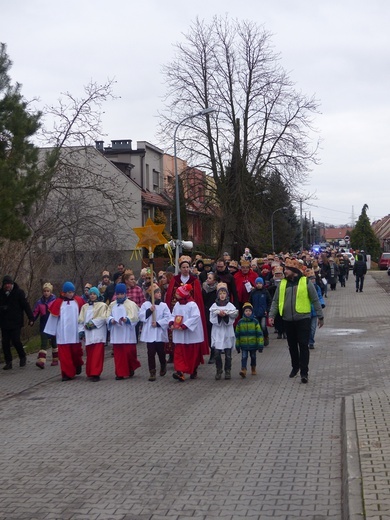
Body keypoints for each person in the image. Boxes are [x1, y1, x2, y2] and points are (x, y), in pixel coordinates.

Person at [268, 259, 324, 384]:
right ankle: (295, 366)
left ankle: (304, 372)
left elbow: (315, 299)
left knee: (303, 345)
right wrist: (271, 315)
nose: (285, 271)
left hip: (303, 318)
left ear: (294, 271)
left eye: (287, 269)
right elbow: (275, 301)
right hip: (288, 319)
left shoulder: (305, 282)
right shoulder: (282, 284)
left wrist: (320, 316)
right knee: (292, 346)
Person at [165, 255, 210, 360]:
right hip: (177, 310)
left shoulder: (194, 281)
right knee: (176, 334)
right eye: (183, 267)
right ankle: (174, 354)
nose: (185, 269)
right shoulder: (174, 280)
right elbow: (169, 295)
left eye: (187, 267)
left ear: (190, 268)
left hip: (190, 311)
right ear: (180, 269)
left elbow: (198, 298)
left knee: (190, 334)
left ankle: (192, 356)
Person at [44, 281, 85, 381]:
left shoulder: (78, 301)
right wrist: (51, 332)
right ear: (64, 292)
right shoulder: (58, 303)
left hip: (75, 332)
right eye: (68, 292)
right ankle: (67, 373)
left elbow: (83, 316)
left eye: (72, 292)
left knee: (76, 352)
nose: (71, 294)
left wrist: (83, 329)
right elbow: (53, 318)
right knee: (64, 356)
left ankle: (77, 364)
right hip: (63, 334)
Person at [169, 283, 205, 382]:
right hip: (180, 334)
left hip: (190, 334)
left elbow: (195, 317)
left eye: (177, 293)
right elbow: (173, 315)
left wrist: (185, 326)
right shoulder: (177, 304)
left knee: (191, 354)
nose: (175, 294)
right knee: (179, 353)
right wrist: (172, 323)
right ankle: (180, 371)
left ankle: (193, 370)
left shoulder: (192, 305)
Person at [107, 282, 140, 380]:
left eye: (122, 294)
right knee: (119, 355)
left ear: (125, 293)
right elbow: (107, 315)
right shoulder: (112, 305)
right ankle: (120, 373)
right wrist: (110, 320)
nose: (120, 296)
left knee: (129, 353)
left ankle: (130, 367)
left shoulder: (131, 304)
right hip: (116, 332)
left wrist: (127, 319)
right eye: (118, 294)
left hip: (127, 333)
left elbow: (135, 316)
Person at [0, 275, 34, 370]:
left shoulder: (18, 293)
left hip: (16, 322)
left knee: (16, 340)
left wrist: (31, 318)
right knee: (5, 343)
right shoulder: (1, 294)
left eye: (9, 284)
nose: (7, 286)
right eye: (5, 284)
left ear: (12, 284)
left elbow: (25, 306)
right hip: (4, 323)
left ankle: (22, 356)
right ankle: (8, 361)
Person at [139, 284, 172, 381]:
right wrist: (149, 311)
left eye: (159, 292)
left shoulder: (163, 305)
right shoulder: (146, 305)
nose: (159, 294)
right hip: (150, 333)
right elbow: (141, 316)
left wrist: (158, 323)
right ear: (152, 295)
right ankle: (152, 371)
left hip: (159, 333)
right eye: (157, 292)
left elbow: (168, 318)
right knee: (150, 353)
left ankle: (163, 364)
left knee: (161, 352)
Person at [209, 283, 238, 380]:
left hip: (227, 332)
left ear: (227, 295)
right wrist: (218, 316)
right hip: (217, 331)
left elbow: (232, 319)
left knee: (228, 354)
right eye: (220, 293)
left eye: (224, 293)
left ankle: (228, 370)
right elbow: (211, 319)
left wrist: (226, 316)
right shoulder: (214, 306)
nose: (222, 295)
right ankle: (219, 369)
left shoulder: (230, 306)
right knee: (217, 353)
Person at [78, 286, 108, 382]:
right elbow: (81, 320)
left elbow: (104, 318)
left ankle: (96, 373)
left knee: (97, 354)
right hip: (88, 335)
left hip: (98, 334)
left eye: (94, 294)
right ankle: (90, 372)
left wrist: (92, 324)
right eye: (91, 294)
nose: (92, 296)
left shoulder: (102, 305)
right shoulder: (85, 307)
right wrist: (81, 331)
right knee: (90, 354)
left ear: (97, 295)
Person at [235, 302, 264, 378]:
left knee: (253, 356)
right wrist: (237, 346)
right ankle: (243, 370)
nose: (248, 312)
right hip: (244, 344)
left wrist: (260, 345)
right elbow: (237, 335)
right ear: (244, 312)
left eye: (249, 311)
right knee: (244, 357)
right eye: (246, 311)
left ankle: (253, 367)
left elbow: (259, 334)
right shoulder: (240, 322)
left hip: (253, 344)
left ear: (252, 312)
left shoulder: (255, 322)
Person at [33, 282, 58, 369]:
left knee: (54, 343)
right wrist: (32, 320)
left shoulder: (55, 301)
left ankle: (55, 359)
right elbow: (36, 312)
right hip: (43, 324)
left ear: (50, 292)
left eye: (48, 291)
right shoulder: (40, 302)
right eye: (45, 291)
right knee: (43, 342)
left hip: (53, 324)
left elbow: (58, 312)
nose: (46, 293)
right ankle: (41, 361)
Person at [305, 269, 325, 349]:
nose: (313, 280)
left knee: (313, 328)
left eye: (314, 279)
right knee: (306, 328)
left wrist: (322, 303)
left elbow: (319, 297)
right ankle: (306, 340)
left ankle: (311, 342)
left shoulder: (317, 287)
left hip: (314, 312)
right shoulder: (304, 288)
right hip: (306, 311)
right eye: (311, 279)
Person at [201, 271, 218, 364]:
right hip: (205, 312)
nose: (208, 279)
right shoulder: (203, 288)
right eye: (207, 277)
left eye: (210, 278)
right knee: (207, 333)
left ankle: (214, 353)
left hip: (213, 312)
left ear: (214, 280)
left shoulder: (217, 289)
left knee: (213, 334)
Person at [249, 277, 272, 346]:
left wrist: (267, 310)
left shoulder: (265, 292)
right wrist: (251, 310)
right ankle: (258, 339)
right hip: (255, 312)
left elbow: (269, 302)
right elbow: (250, 302)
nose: (258, 285)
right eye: (257, 283)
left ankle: (266, 337)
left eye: (260, 283)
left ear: (262, 284)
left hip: (263, 312)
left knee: (263, 326)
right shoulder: (253, 292)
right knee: (256, 327)